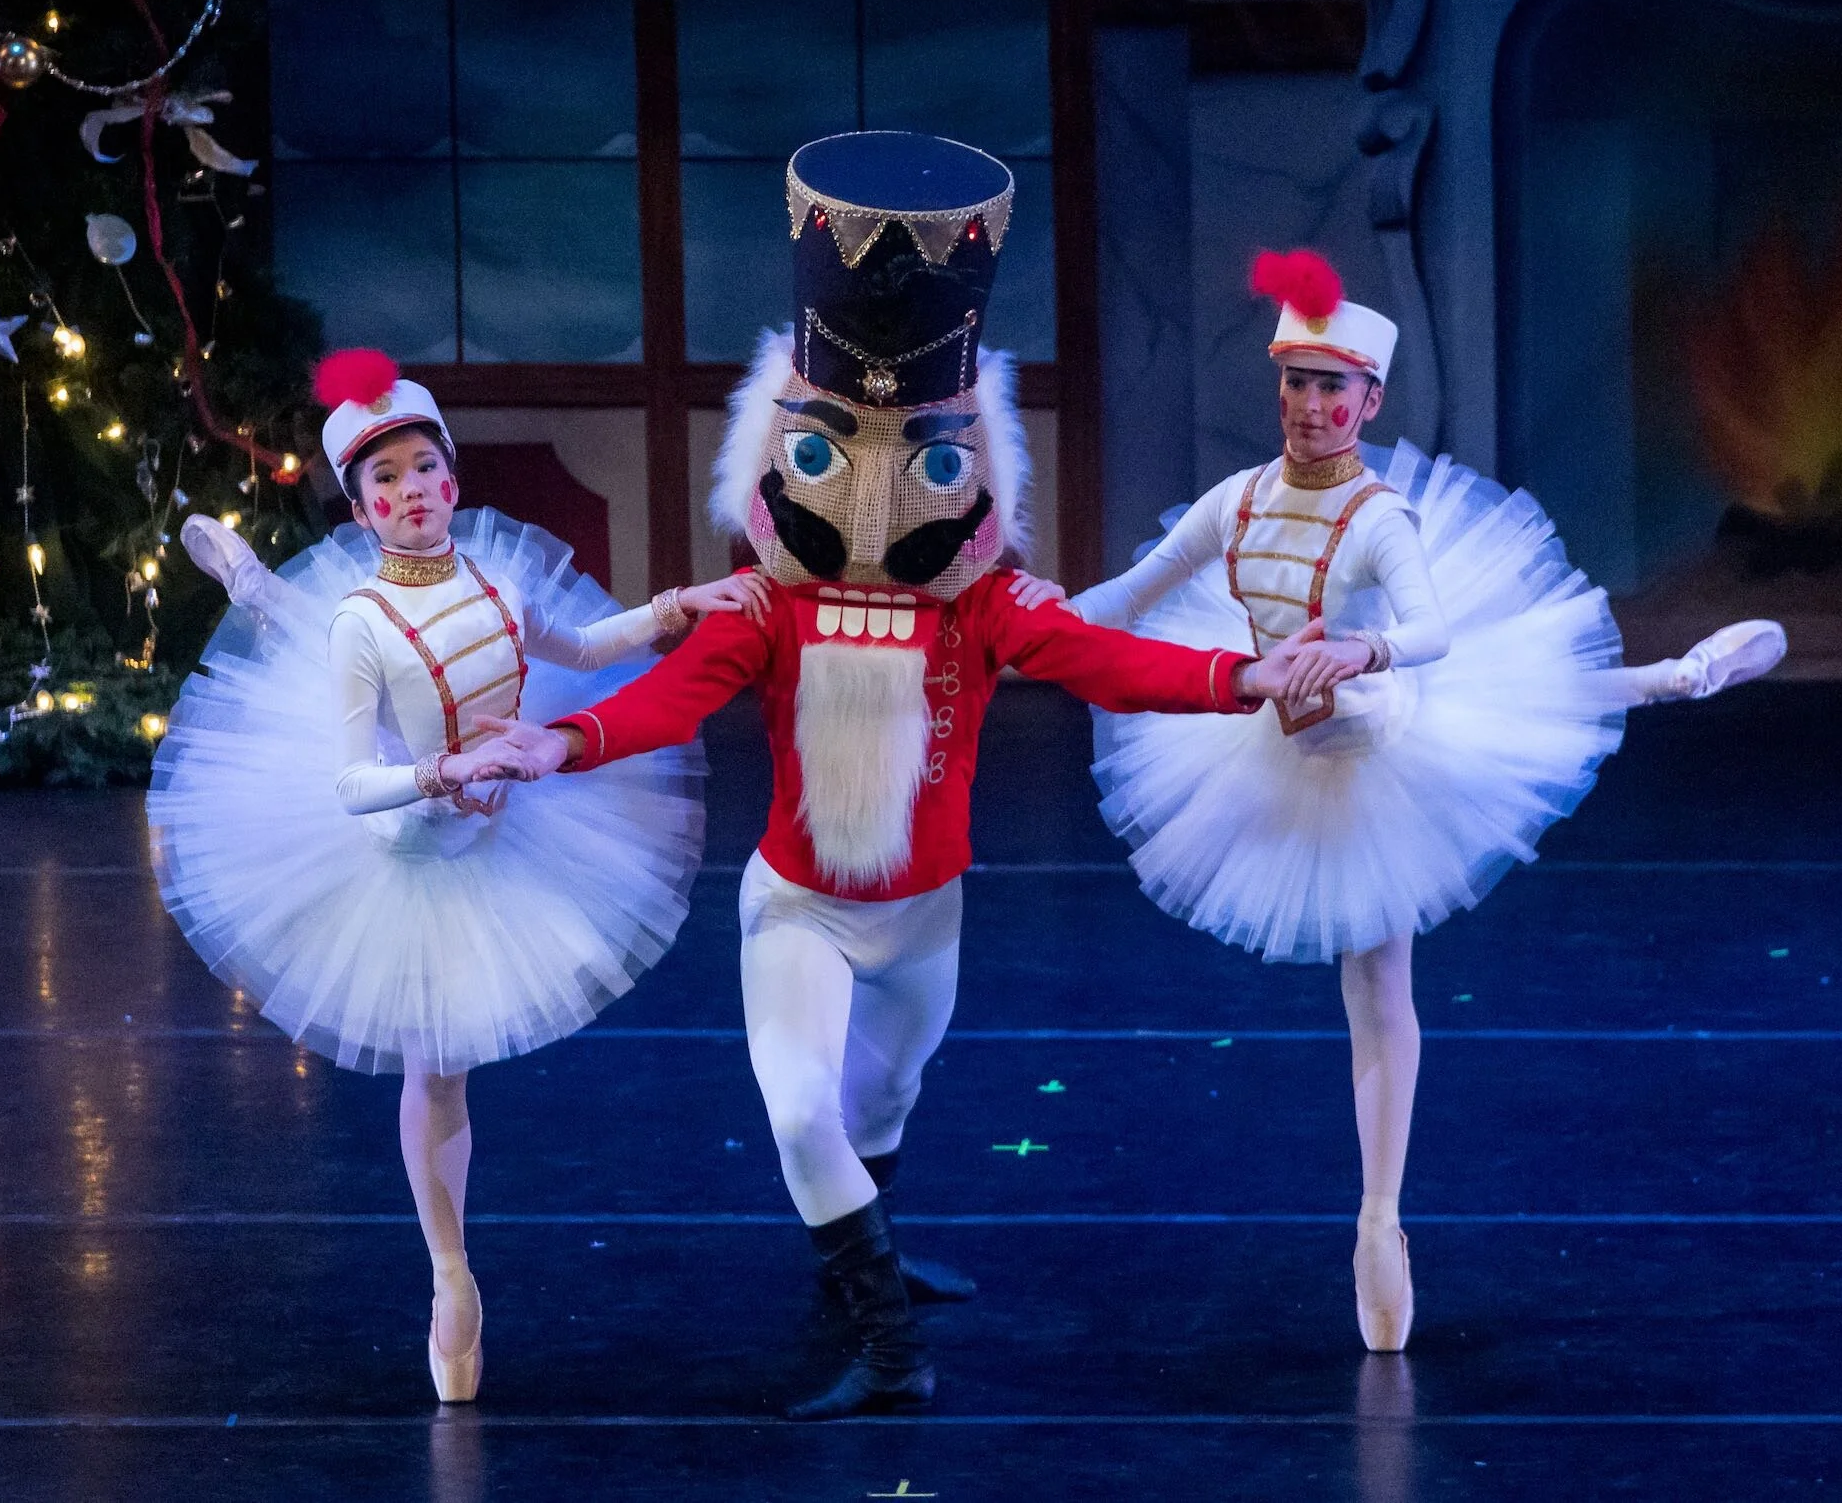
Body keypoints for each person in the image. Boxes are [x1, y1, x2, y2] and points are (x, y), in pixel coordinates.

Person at [472, 134, 1355, 1420]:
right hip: (800, 908)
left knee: (882, 1099)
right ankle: (890, 1347)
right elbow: (669, 695)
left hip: (926, 914)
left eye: (929, 460)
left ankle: (856, 1265)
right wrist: (559, 742)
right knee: (798, 1109)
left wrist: (1240, 677)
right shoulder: (765, 608)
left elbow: (1108, 662)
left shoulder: (979, 608)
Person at [1010, 250, 1786, 1353]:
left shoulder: (1379, 517)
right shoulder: (1237, 502)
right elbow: (1127, 597)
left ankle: (1380, 1219)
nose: (1310, 405)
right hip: (1282, 730)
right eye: (1296, 381)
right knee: (1498, 725)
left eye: (1333, 388)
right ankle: (1669, 676)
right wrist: (1022, 623)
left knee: (1390, 951)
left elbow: (1429, 630)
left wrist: (1363, 648)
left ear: (1369, 402)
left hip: (1380, 731)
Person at [148, 350, 768, 1403]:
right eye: (383, 480)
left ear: (452, 476)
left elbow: (578, 648)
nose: (410, 491)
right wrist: (444, 773)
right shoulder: (360, 619)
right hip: (409, 848)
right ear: (360, 509)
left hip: (499, 827)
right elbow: (352, 782)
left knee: (450, 1062)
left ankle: (258, 588)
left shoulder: (493, 578)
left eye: (424, 468)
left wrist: (680, 603)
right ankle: (449, 1273)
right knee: (435, 1064)